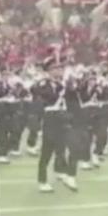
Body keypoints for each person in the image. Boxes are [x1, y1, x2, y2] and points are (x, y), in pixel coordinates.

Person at [35, 56, 79, 192]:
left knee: (73, 146)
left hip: (63, 118)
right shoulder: (43, 84)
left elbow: (73, 98)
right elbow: (47, 98)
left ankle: (69, 174)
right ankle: (42, 180)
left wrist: (71, 86)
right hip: (51, 118)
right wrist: (62, 89)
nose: (59, 70)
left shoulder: (63, 84)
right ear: (48, 70)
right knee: (47, 152)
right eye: (55, 68)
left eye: (60, 68)